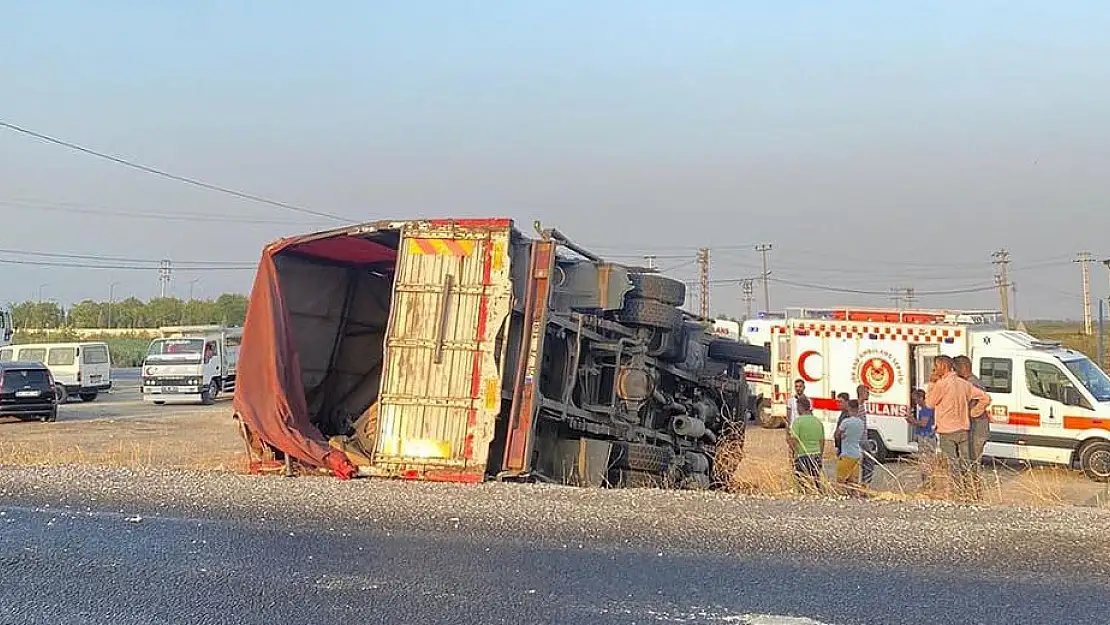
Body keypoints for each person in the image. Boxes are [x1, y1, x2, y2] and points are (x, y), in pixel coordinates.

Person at [925, 355, 991, 499]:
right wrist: (973, 412)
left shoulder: (941, 385)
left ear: (942, 367)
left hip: (947, 431)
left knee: (953, 463)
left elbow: (929, 403)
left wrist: (931, 384)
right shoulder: (964, 384)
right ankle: (970, 493)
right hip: (963, 429)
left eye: (936, 366)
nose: (934, 369)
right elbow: (986, 398)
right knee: (966, 463)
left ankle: (957, 493)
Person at [953, 355, 990, 463]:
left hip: (976, 429)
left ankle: (972, 480)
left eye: (955, 369)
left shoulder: (972, 384)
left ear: (963, 368)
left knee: (972, 462)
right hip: (974, 428)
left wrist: (971, 414)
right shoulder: (970, 382)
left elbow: (981, 402)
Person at [787, 397, 825, 493]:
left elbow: (794, 441)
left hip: (802, 456)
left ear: (800, 407)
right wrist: (820, 455)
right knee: (816, 482)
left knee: (802, 483)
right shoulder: (818, 421)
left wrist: (793, 454)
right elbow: (822, 441)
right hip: (816, 455)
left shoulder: (798, 422)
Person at [906, 388, 937, 488]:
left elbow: (923, 423)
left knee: (925, 461)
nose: (916, 403)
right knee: (927, 461)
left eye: (916, 400)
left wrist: (912, 420)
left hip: (926, 437)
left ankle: (928, 483)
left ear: (921, 398)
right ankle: (928, 482)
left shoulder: (926, 409)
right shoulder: (925, 409)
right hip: (927, 437)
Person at [835, 399, 866, 496]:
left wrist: (842, 435)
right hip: (857, 454)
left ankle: (842, 497)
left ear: (849, 408)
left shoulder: (846, 422)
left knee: (841, 480)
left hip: (846, 454)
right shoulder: (861, 423)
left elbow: (836, 434)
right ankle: (854, 498)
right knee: (853, 482)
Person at [856, 384, 875, 487]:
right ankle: (864, 484)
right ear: (862, 393)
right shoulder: (857, 407)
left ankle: (864, 484)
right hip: (860, 440)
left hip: (864, 438)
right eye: (867, 392)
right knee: (868, 463)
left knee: (868, 463)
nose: (868, 394)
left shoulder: (862, 406)